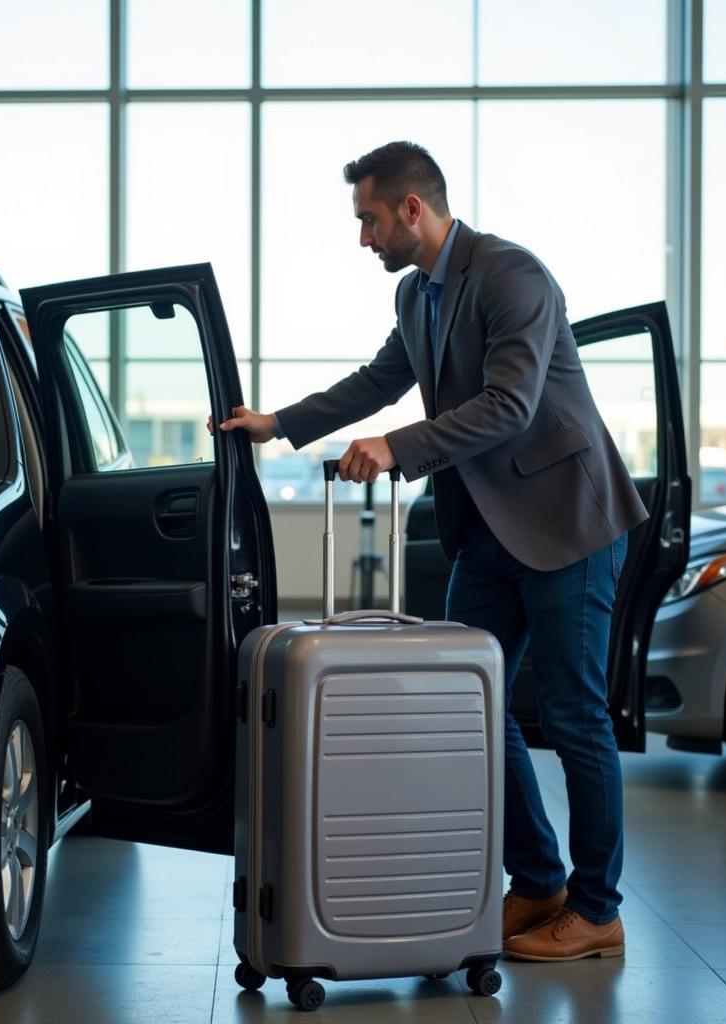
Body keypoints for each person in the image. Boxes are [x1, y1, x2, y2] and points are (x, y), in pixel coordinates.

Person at [220, 141, 647, 962]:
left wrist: (397, 448)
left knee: (572, 715)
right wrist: (279, 422)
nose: (363, 239)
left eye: (369, 220)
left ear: (412, 209)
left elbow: (511, 404)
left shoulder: (510, 274)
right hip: (488, 530)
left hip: (566, 522)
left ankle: (597, 912)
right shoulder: (417, 297)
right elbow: (378, 381)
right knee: (474, 706)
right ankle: (541, 881)